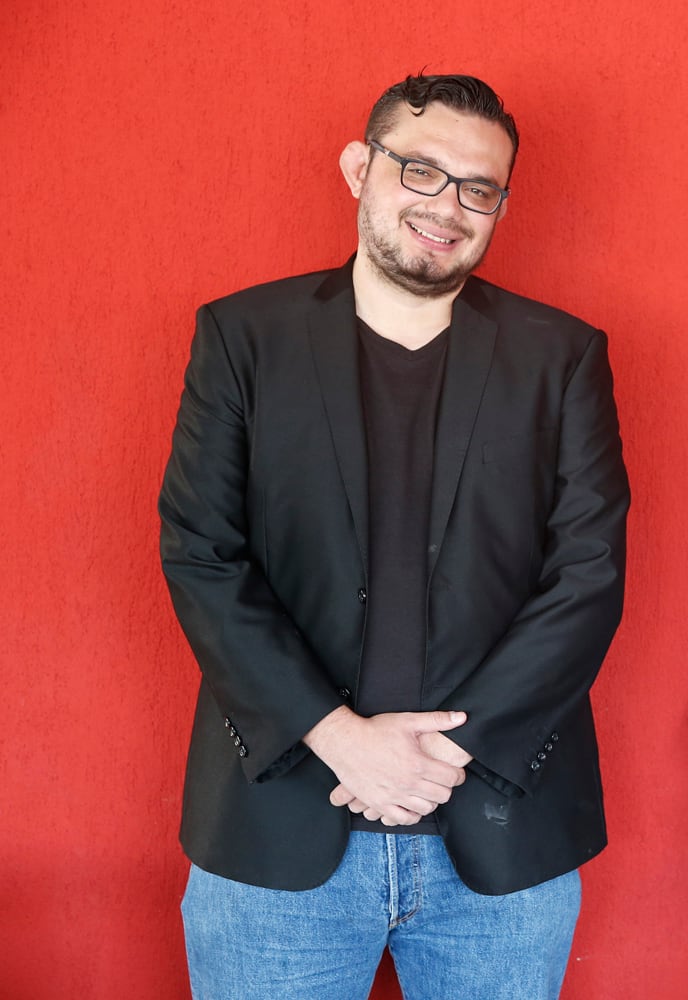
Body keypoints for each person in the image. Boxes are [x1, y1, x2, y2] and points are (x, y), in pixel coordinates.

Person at [159, 73, 629, 1000]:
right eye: (421, 170)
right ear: (358, 167)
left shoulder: (563, 357)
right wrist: (341, 738)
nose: (447, 206)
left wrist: (442, 757)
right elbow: (203, 556)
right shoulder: (242, 338)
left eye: (478, 188)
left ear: (500, 206)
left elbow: (589, 573)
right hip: (274, 833)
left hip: (502, 840)